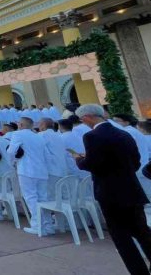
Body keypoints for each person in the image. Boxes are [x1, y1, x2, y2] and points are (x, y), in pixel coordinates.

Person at [75, 104, 151, 274]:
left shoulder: (92, 136)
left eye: (82, 119)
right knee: (142, 232)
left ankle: (138, 272)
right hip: (132, 190)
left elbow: (93, 164)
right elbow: (136, 161)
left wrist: (79, 160)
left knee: (121, 237)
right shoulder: (124, 133)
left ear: (87, 117)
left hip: (110, 193)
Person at [7, 117, 53, 236]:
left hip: (27, 170)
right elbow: (47, 156)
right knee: (43, 198)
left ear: (21, 124)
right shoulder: (38, 136)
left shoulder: (18, 134)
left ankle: (37, 226)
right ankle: (48, 225)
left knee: (31, 197)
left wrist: (13, 162)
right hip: (41, 171)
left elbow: (11, 151)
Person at [38, 117, 69, 199]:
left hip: (51, 170)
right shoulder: (59, 135)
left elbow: (39, 152)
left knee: (52, 198)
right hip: (63, 169)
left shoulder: (41, 135)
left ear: (43, 125)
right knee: (65, 196)